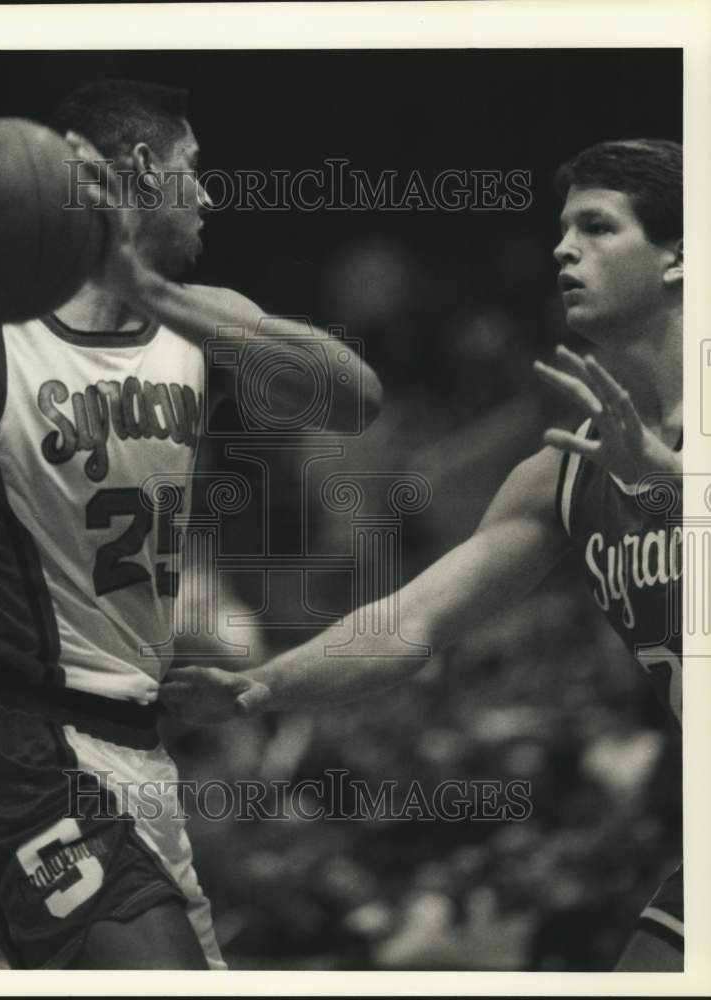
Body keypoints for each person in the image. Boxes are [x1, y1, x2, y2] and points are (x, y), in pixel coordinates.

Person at [0, 79, 382, 970]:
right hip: (12, 741)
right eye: (193, 171)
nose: (206, 195)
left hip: (133, 749)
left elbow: (355, 398)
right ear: (138, 171)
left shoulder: (203, 321)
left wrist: (151, 292)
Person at [160, 138, 684, 971]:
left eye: (597, 227)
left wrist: (677, 482)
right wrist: (261, 686)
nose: (563, 247)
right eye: (562, 229)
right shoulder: (564, 469)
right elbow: (413, 620)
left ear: (679, 257)